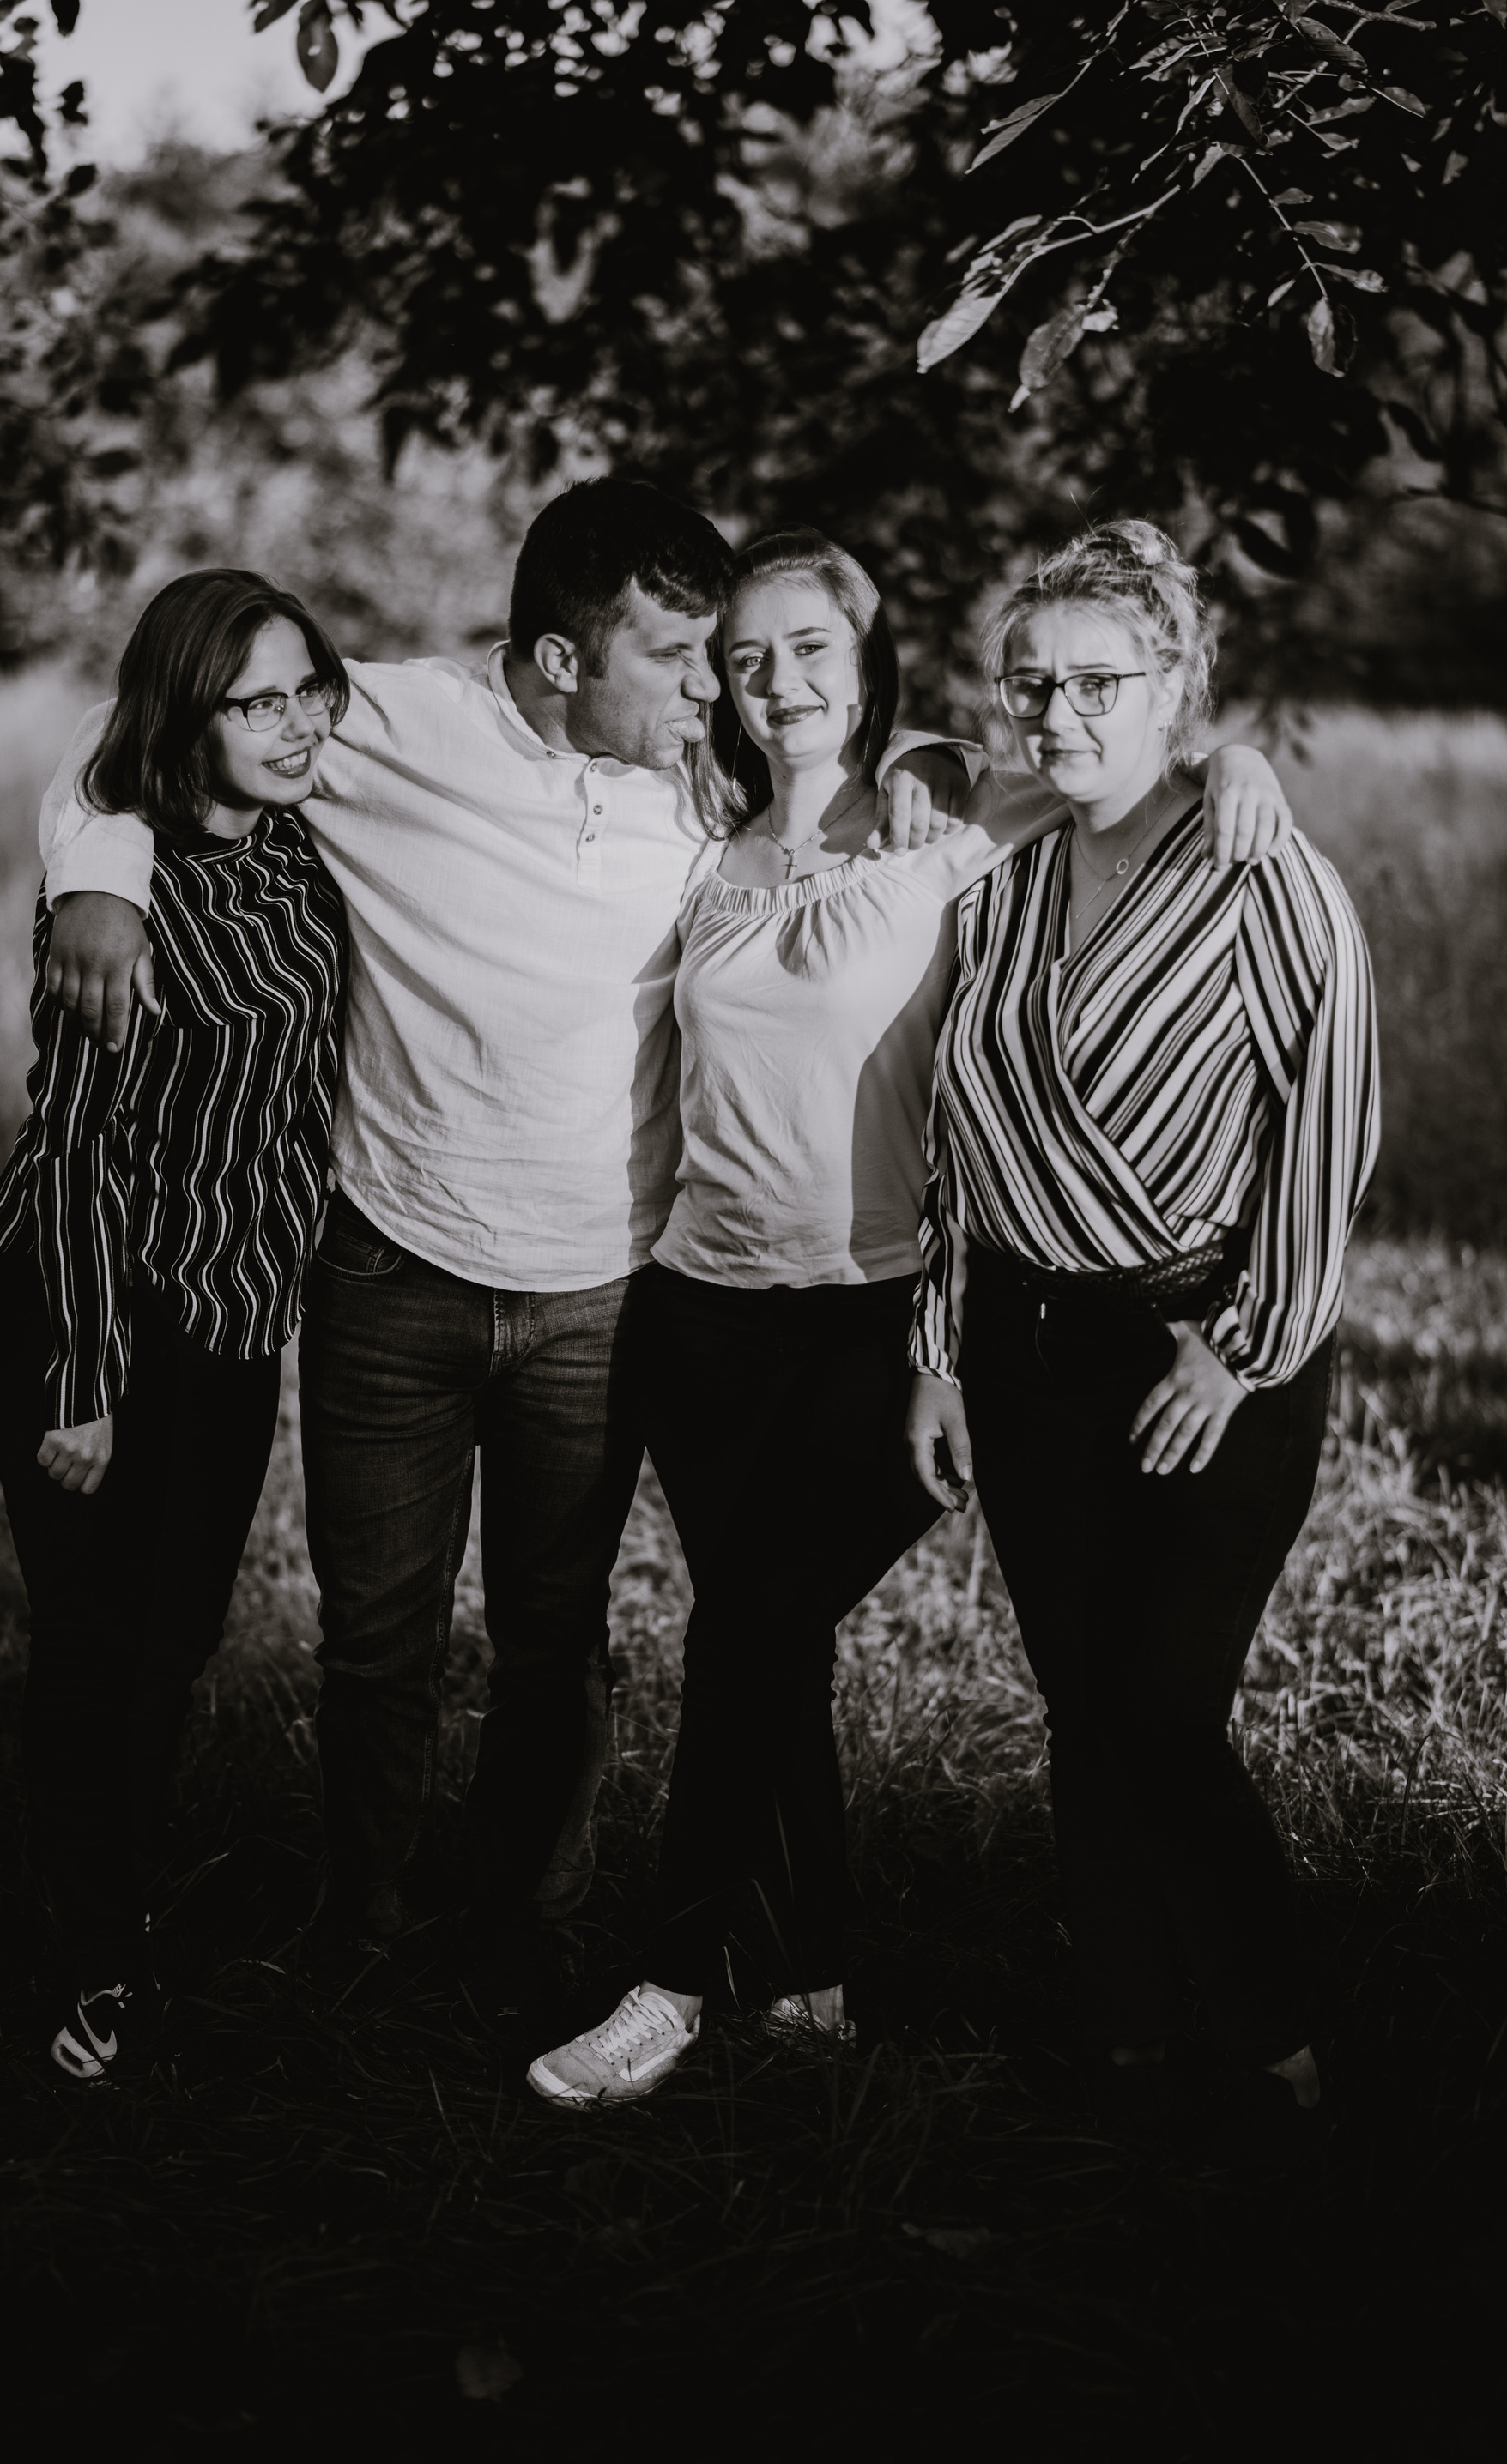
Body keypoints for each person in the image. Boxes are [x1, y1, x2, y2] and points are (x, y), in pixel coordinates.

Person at [32, 482, 974, 2019]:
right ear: (555, 658)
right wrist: (100, 877)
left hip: (602, 1291)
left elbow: (875, 749)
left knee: (556, 1641)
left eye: (720, 657)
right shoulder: (395, 727)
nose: (713, 689)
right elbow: (136, 719)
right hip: (387, 1269)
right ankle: (362, 1929)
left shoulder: (711, 765)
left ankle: (527, 1929)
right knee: (375, 1642)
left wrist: (936, 760)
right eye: (675, 656)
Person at [524, 528, 1295, 2109]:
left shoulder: (954, 818)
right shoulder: (704, 837)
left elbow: (1125, 763)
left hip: (877, 1318)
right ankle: (805, 1979)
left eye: (811, 647)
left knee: (749, 1620)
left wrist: (1240, 761)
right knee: (769, 1634)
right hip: (700, 1311)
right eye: (745, 658)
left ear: (870, 662)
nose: (777, 681)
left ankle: (673, 1980)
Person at [905, 521, 1377, 2138]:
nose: (1060, 714)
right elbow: (953, 1143)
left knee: (1164, 1708)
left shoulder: (1265, 872)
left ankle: (1268, 2035)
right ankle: (1117, 2039)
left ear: (1176, 687)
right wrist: (937, 1353)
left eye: (1099, 682)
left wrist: (1241, 1346)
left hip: (1209, 1352)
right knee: (1083, 1709)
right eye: (1031, 684)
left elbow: (1332, 1124)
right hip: (1026, 1350)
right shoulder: (998, 876)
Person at [0, 570, 349, 2081]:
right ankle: (95, 1964)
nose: (297, 724)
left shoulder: (301, 849)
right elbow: (75, 1149)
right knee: (96, 1639)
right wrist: (82, 1380)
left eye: (309, 691)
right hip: (86, 1312)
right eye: (258, 701)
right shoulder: (115, 911)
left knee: (174, 1640)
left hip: (232, 1311)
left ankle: (111, 1898)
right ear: (189, 715)